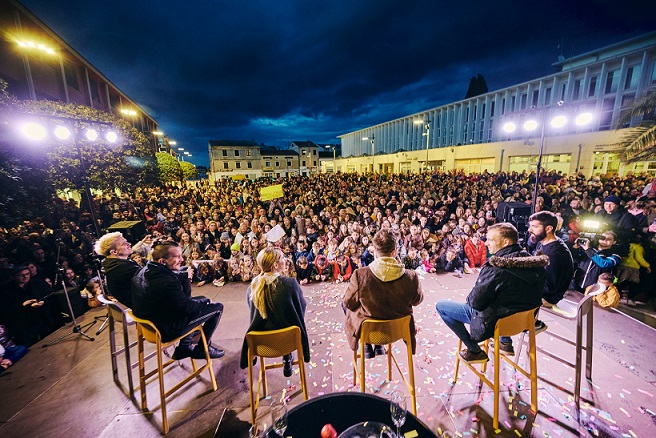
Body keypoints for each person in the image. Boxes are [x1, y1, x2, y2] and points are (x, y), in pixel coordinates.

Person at [436, 223, 548, 363]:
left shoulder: (496, 268)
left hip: (494, 323)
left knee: (441, 306)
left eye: (490, 240)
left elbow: (475, 303)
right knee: (506, 297)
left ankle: (474, 350)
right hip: (524, 321)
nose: (486, 243)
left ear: (506, 242)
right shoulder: (534, 263)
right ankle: (505, 342)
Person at [131, 241, 225, 360]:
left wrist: (202, 301)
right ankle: (202, 349)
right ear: (162, 261)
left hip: (153, 323)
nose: (182, 259)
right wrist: (206, 302)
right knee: (216, 308)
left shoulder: (143, 272)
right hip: (165, 329)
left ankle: (183, 348)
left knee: (201, 300)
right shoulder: (167, 282)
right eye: (177, 256)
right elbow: (188, 307)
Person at [343, 228, 423, 360]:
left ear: (374, 251)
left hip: (369, 331)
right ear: (394, 251)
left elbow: (348, 303)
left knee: (348, 304)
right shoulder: (411, 277)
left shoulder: (360, 275)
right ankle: (379, 346)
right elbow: (417, 300)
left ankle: (367, 344)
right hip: (398, 331)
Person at [240, 247, 309, 377]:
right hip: (289, 341)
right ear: (275, 265)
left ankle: (286, 356)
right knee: (287, 321)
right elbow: (301, 308)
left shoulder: (252, 288)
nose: (285, 260)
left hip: (261, 344)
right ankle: (287, 357)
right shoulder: (290, 284)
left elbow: (254, 312)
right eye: (282, 257)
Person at [94, 232, 140, 308]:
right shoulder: (121, 269)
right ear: (114, 252)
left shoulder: (114, 266)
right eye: (124, 243)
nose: (129, 244)